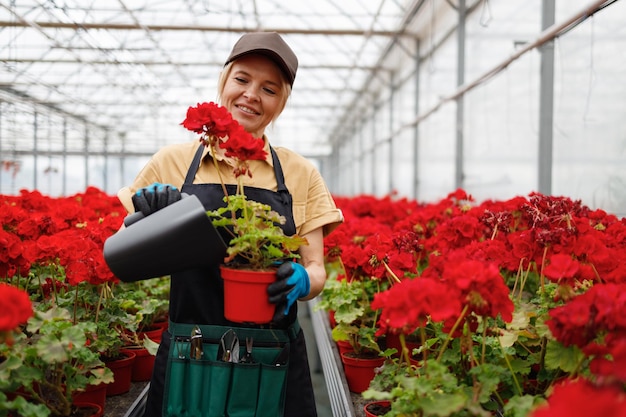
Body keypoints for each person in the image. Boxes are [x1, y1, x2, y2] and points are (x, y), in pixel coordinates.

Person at [116, 32, 343, 417]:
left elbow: (317, 268)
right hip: (191, 349)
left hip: (270, 354)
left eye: (269, 88)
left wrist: (304, 280)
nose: (251, 95)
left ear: (281, 102)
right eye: (242, 79)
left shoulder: (300, 172)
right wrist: (142, 217)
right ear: (224, 81)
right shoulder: (172, 161)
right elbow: (124, 251)